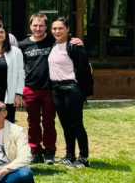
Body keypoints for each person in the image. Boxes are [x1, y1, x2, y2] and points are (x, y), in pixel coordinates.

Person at [19, 12, 79, 165]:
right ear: (30, 26)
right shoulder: (23, 45)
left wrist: (76, 40)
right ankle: (35, 151)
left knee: (48, 122)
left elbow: (66, 40)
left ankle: (50, 152)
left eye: (41, 25)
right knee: (32, 122)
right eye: (35, 25)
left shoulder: (53, 41)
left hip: (50, 89)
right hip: (30, 88)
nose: (38, 28)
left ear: (46, 27)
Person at [49, 17, 93, 168]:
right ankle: (69, 155)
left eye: (60, 28)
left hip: (72, 89)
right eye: (54, 28)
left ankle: (84, 157)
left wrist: (83, 91)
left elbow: (85, 69)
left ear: (67, 29)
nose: (57, 31)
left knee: (76, 124)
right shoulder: (52, 45)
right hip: (56, 89)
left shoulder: (74, 46)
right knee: (65, 124)